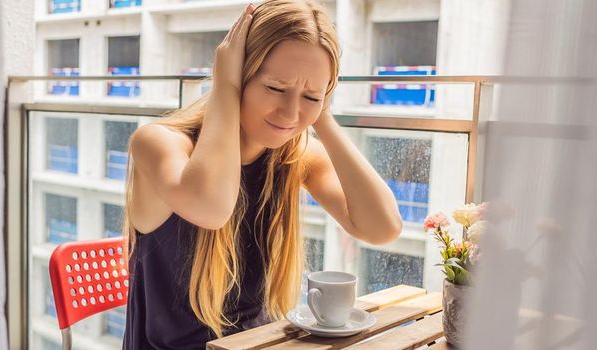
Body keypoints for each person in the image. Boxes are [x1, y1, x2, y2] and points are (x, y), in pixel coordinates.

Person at [122, 1, 403, 348]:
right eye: (275, 88)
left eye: (311, 95)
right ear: (240, 74)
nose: (290, 112)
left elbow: (383, 227)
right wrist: (224, 84)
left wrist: (321, 116)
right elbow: (212, 208)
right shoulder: (157, 143)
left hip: (263, 342)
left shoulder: (293, 156)